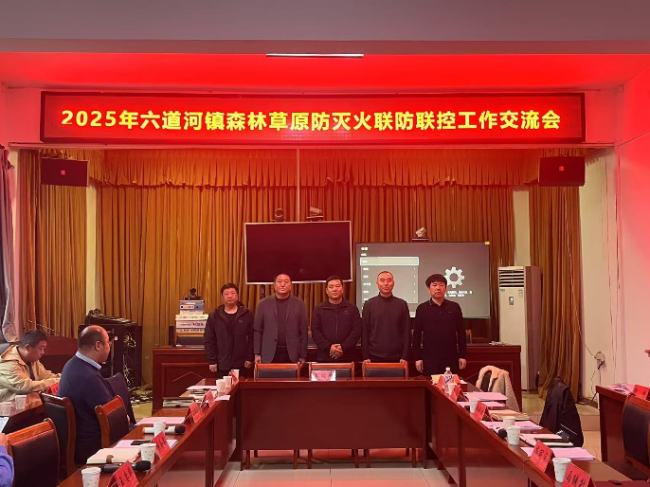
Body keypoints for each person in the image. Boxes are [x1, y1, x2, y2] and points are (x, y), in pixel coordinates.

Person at [59, 325, 114, 465]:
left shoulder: (72, 364)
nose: (110, 347)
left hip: (80, 439)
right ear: (98, 345)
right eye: (108, 343)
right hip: (93, 445)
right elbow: (111, 416)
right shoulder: (88, 376)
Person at [413, 273, 467, 375]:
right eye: (434, 285)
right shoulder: (422, 308)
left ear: (445, 288)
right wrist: (418, 358)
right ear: (428, 289)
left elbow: (461, 333)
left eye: (441, 285)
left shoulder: (454, 307)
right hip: (429, 358)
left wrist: (462, 355)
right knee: (431, 384)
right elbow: (416, 335)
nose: (438, 288)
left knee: (450, 384)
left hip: (451, 357)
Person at [254, 274, 308, 365]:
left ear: (290, 285)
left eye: (286, 282)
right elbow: (257, 330)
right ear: (274, 286)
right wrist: (257, 353)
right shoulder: (263, 304)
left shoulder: (299, 304)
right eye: (279, 282)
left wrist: (303, 355)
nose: (283, 284)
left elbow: (303, 331)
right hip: (268, 353)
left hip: (292, 354)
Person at [204, 283, 254, 377]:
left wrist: (250, 358)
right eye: (226, 294)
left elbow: (252, 338)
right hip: (221, 364)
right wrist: (212, 361)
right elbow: (209, 339)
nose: (230, 296)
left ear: (237, 295)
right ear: (222, 297)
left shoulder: (247, 314)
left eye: (232, 293)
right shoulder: (214, 316)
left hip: (242, 363)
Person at [361, 271, 411, 363]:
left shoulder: (402, 304)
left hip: (398, 357)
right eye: (382, 280)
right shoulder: (369, 304)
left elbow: (406, 332)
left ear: (393, 283)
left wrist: (405, 356)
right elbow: (365, 331)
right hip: (373, 356)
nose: (386, 283)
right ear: (377, 283)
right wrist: (365, 356)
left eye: (389, 280)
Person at [311, 276, 362, 362]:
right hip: (325, 357)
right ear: (327, 291)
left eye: (337, 286)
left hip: (348, 356)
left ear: (342, 289)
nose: (334, 289)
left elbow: (357, 330)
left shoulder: (352, 308)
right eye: (331, 287)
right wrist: (329, 348)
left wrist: (343, 347)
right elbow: (315, 331)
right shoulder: (319, 309)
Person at [0, 330, 60, 402]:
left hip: (29, 403)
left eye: (44, 349)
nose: (43, 352)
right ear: (28, 348)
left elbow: (45, 375)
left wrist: (63, 378)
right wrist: (57, 381)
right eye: (40, 348)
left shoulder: (32, 359)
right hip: (9, 406)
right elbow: (26, 387)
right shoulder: (7, 363)